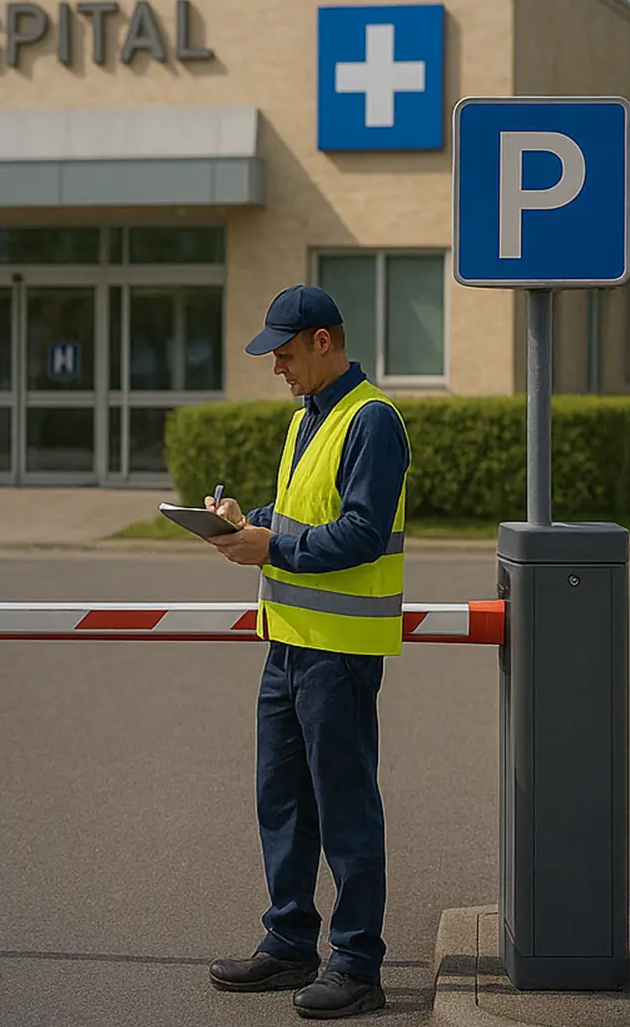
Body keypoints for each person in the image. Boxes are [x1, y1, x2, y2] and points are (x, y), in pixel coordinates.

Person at [201, 285, 409, 1020]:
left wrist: (272, 546)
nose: (277, 368)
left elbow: (358, 532)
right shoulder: (307, 420)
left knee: (346, 809)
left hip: (341, 653)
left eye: (285, 354)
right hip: (288, 645)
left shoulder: (372, 420)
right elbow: (296, 512)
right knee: (282, 802)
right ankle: (289, 943)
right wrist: (243, 520)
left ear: (323, 341)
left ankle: (358, 965)